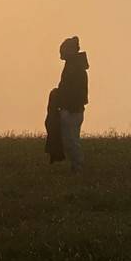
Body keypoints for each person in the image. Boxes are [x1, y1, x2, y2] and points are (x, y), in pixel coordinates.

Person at [57, 36, 90, 172]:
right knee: (70, 139)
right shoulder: (73, 67)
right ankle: (76, 165)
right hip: (73, 109)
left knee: (71, 140)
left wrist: (65, 105)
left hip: (72, 110)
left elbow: (73, 90)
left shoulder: (74, 68)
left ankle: (78, 165)